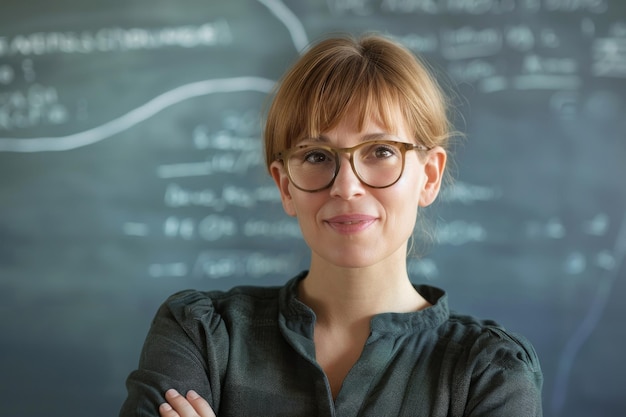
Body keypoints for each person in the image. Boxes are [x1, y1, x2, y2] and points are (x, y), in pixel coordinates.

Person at [120, 33, 543, 417]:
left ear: (428, 176)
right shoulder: (202, 334)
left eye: (380, 151)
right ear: (285, 185)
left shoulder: (488, 373)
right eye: (317, 156)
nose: (347, 187)